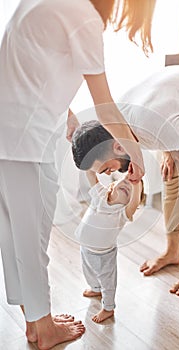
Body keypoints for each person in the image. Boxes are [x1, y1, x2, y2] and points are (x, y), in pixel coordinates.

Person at [0, 0, 156, 348]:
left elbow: (28, 67)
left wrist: (67, 112)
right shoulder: (82, 15)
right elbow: (105, 106)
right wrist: (137, 154)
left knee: (14, 237)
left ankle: (34, 321)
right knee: (32, 241)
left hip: (8, 134)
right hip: (27, 143)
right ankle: (43, 329)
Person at [72, 65, 179, 298]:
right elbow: (166, 117)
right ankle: (173, 251)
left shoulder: (160, 128)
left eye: (107, 168)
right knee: (172, 177)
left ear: (118, 147)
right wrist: (168, 147)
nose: (109, 175)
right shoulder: (116, 123)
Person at [75, 171, 144, 323]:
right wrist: (87, 156)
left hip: (104, 255)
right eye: (125, 179)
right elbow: (91, 175)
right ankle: (95, 289)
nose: (128, 184)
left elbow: (135, 201)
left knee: (107, 282)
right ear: (112, 185)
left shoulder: (122, 213)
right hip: (85, 248)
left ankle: (108, 308)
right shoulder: (99, 194)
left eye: (131, 189)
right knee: (89, 273)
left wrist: (136, 181)